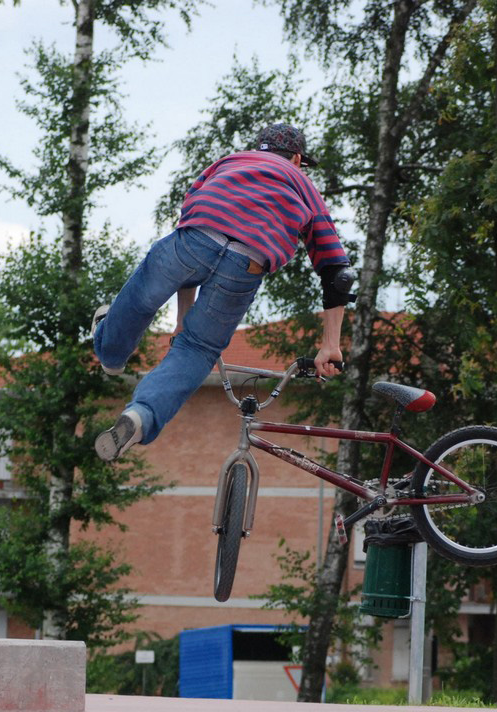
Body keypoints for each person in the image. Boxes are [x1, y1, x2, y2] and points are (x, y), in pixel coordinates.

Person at [92, 123, 353, 462]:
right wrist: (329, 345)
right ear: (298, 158)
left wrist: (182, 318)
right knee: (198, 348)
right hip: (247, 263)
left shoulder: (229, 162)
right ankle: (142, 415)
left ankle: (110, 353)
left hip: (193, 241)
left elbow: (190, 220)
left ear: (257, 149)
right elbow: (337, 271)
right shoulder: (302, 183)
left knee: (142, 296)